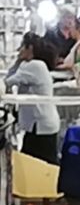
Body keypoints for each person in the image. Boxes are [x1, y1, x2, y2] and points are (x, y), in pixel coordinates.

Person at [4, 34, 61, 164]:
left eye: (22, 47)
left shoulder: (34, 66)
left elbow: (8, 81)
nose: (19, 50)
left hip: (40, 125)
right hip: (40, 125)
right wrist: (18, 62)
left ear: (30, 48)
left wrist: (18, 62)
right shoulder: (36, 65)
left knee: (36, 163)